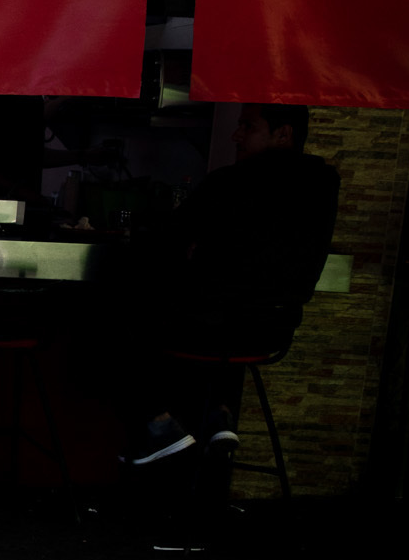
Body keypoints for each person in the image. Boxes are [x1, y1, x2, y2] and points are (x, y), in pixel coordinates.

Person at [122, 103, 339, 465]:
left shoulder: (229, 182)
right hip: (273, 330)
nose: (236, 135)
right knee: (224, 313)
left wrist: (194, 252)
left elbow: (167, 239)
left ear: (283, 134)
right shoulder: (325, 183)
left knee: (124, 314)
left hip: (207, 327)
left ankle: (159, 424)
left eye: (247, 126)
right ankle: (219, 414)